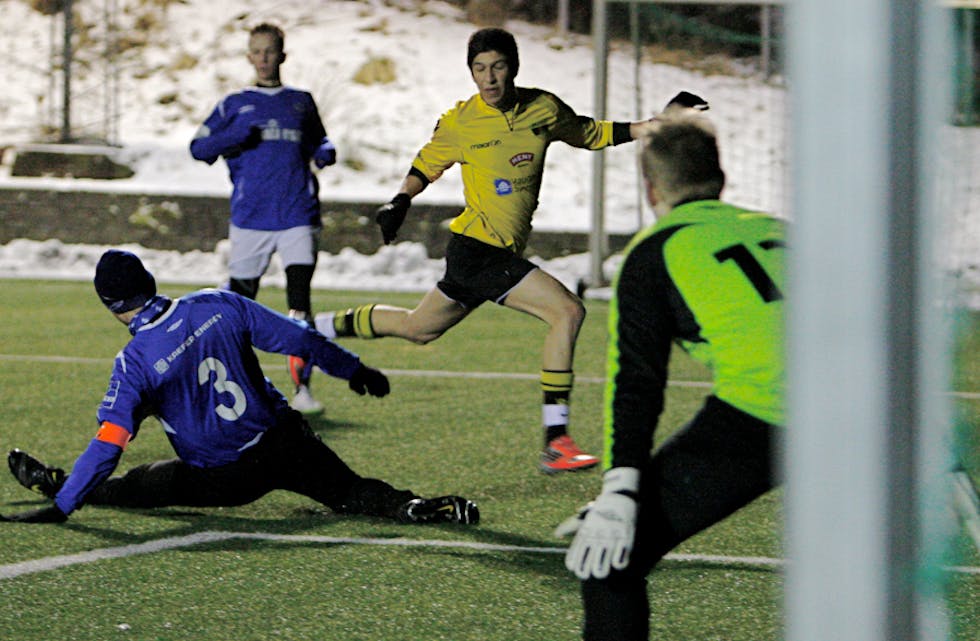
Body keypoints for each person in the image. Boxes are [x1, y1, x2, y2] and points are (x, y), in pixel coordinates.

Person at [314, 27, 706, 474]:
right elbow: (427, 162)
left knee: (417, 328)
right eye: (479, 69)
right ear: (471, 72)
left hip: (486, 254)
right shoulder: (461, 120)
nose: (489, 78)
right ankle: (556, 443)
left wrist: (661, 123)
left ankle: (311, 330)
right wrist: (400, 199)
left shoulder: (543, 108)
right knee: (567, 311)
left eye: (497, 67)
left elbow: (591, 132)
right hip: (479, 250)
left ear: (513, 68)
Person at [1, 249, 478, 526]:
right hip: (285, 443)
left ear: (109, 305)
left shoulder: (134, 362)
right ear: (151, 280)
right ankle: (412, 506)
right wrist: (353, 370)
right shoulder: (217, 303)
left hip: (223, 478)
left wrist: (64, 509)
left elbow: (110, 443)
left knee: (136, 486)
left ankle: (59, 488)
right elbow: (299, 339)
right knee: (350, 491)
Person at [560, 112, 785, 639]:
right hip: (870, 409)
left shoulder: (654, 252)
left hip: (764, 417)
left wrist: (621, 490)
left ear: (651, 188)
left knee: (611, 561)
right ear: (721, 177)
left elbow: (637, 382)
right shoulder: (783, 230)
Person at [190, 22, 337, 415]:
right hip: (251, 218)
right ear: (248, 56)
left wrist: (326, 150)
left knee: (299, 304)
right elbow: (198, 148)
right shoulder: (234, 104)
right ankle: (231, 388)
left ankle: (303, 391)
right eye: (256, 51)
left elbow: (320, 139)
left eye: (270, 51)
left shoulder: (301, 101)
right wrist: (234, 136)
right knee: (238, 307)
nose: (263, 58)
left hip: (297, 215)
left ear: (282, 55)